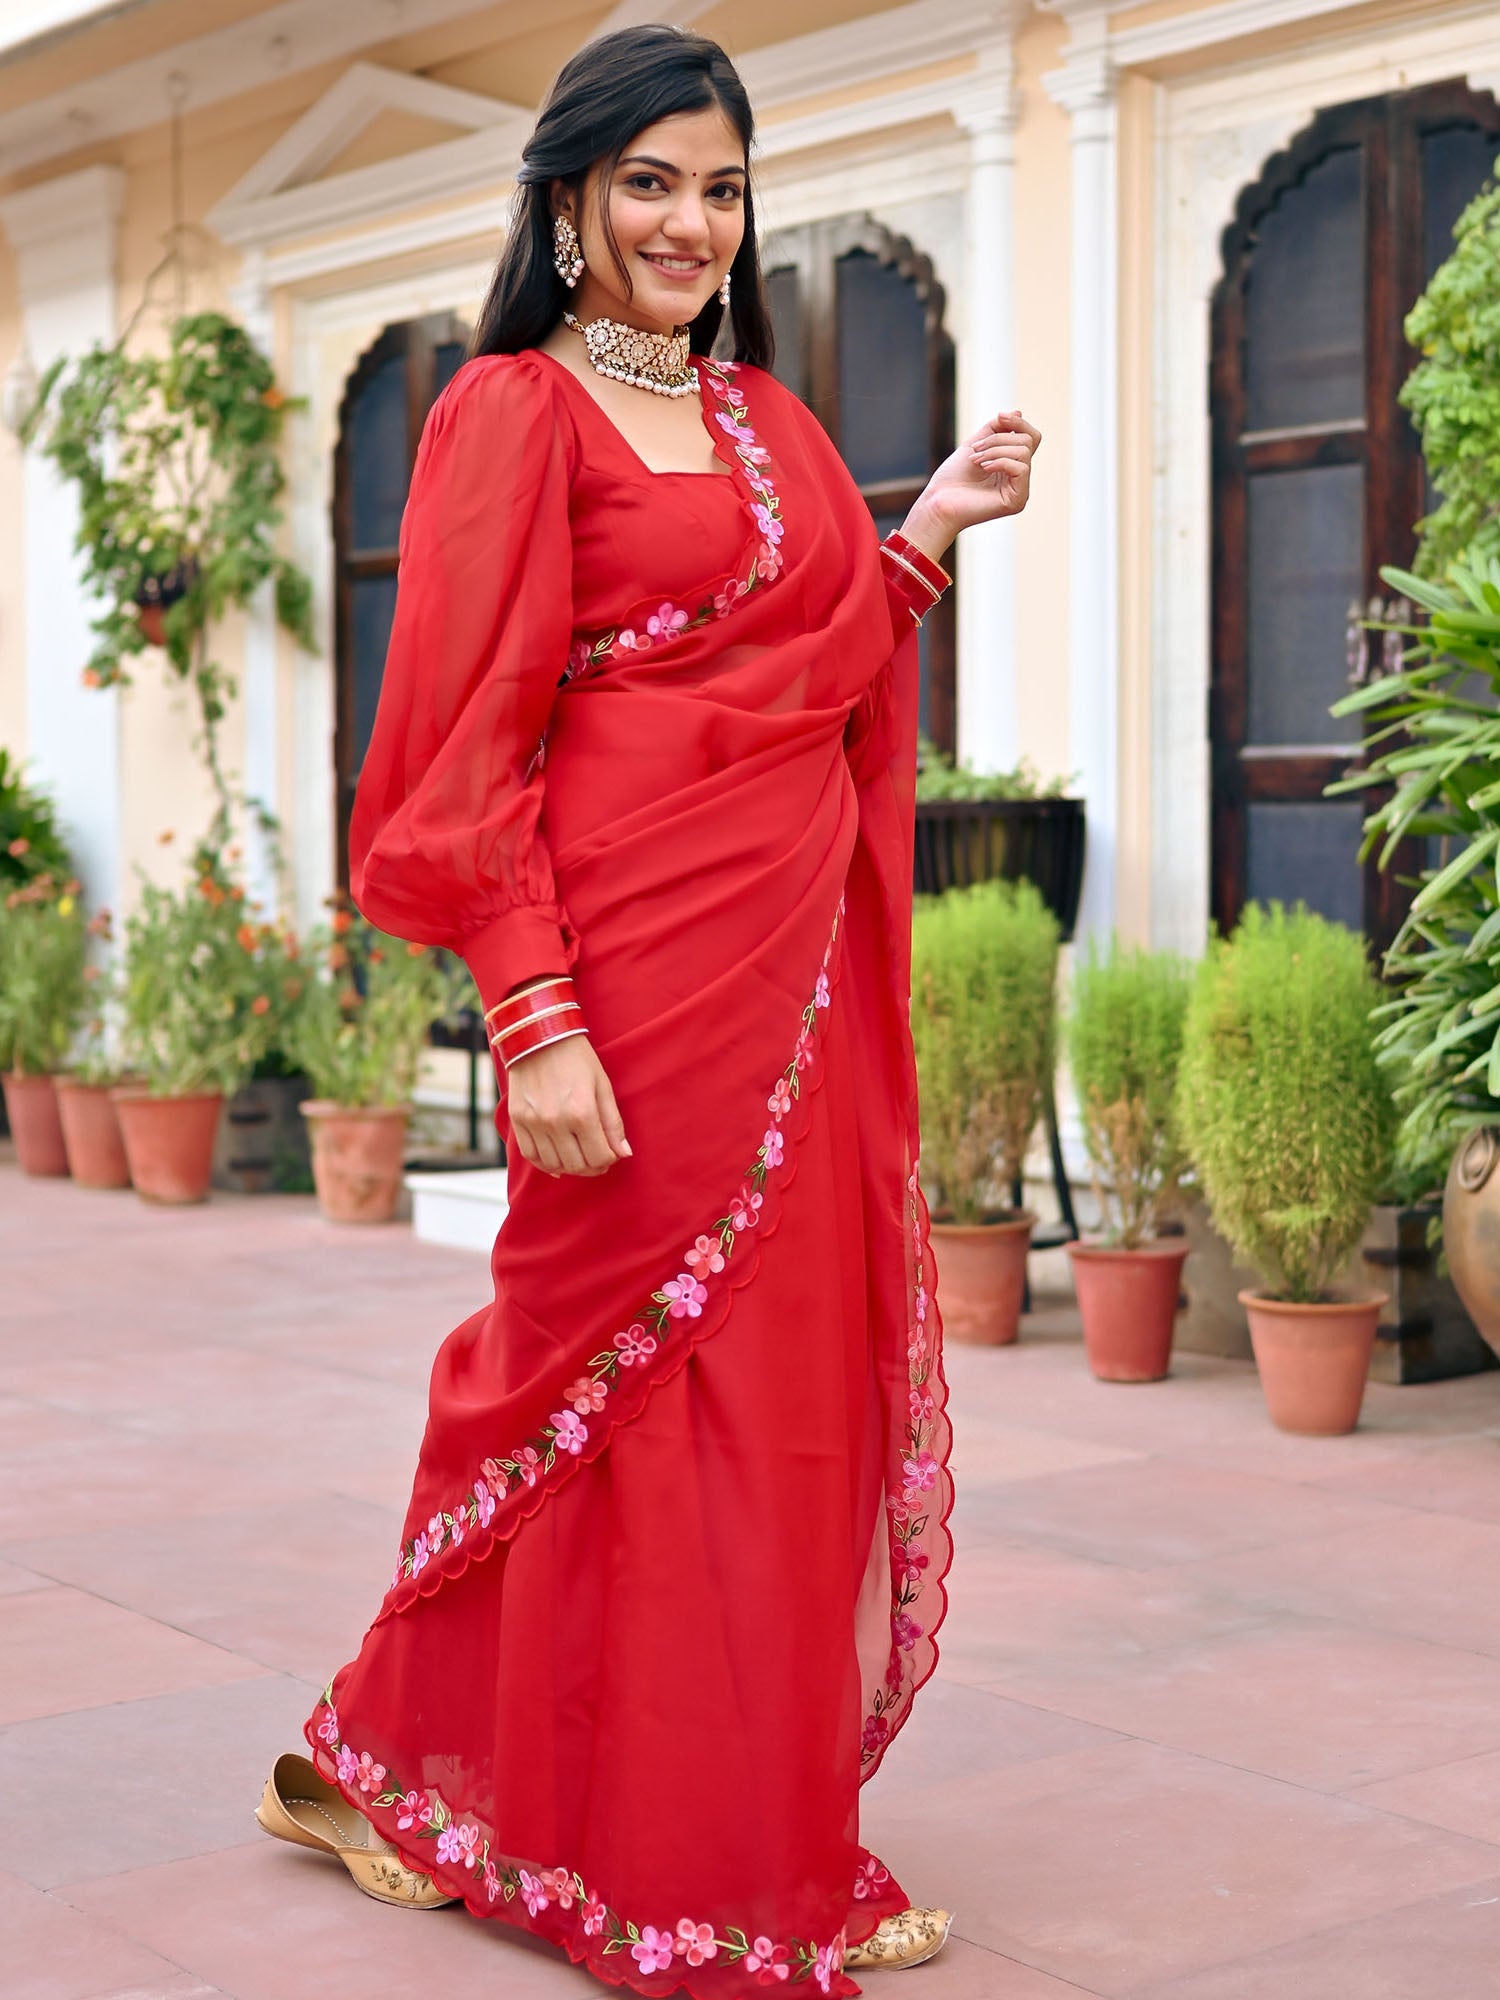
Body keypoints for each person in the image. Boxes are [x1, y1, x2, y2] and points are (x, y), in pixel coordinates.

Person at [255, 24, 1039, 1996]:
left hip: (780, 977)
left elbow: (818, 654)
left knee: (761, 1408)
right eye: (653, 183)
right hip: (613, 968)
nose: (693, 221)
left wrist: (929, 521)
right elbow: (454, 746)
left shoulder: (772, 427)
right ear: (571, 205)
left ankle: (702, 1821)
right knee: (572, 1364)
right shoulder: (512, 414)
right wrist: (532, 1013)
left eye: (722, 184)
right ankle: (405, 1753)